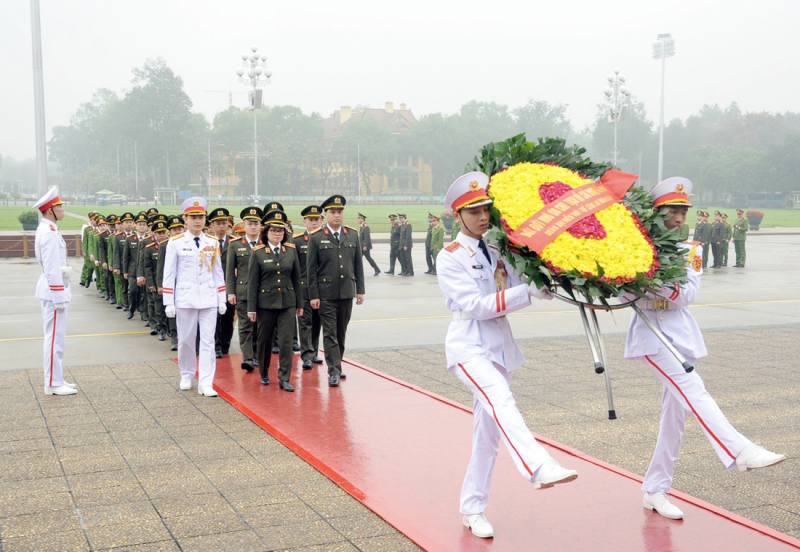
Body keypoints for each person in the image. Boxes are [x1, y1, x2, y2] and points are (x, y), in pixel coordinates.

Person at [626, 177, 784, 521]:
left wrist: (649, 280)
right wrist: (642, 276)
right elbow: (625, 293)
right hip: (651, 335)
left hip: (681, 336)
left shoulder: (690, 251)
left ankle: (656, 488)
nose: (679, 218)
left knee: (675, 417)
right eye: (672, 211)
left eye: (683, 212)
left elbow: (686, 296)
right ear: (656, 214)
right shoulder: (633, 248)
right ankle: (739, 449)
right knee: (694, 390)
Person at [437, 172, 577, 539]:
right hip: (469, 346)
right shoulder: (450, 258)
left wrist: (545, 279)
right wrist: (527, 292)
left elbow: (520, 286)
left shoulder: (498, 251)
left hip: (499, 348)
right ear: (457, 215)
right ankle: (538, 465)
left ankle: (472, 509)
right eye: (473, 211)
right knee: (501, 399)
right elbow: (477, 306)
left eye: (486, 209)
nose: (483, 217)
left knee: (487, 438)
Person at [162, 198, 227, 397]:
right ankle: (186, 373)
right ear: (186, 219)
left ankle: (206, 382)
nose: (197, 221)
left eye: (201, 217)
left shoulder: (212, 242)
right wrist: (168, 302)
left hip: (208, 298)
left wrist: (222, 298)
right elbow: (169, 274)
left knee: (208, 342)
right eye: (193, 217)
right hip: (186, 298)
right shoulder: (175, 242)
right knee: (186, 340)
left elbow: (218, 272)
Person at [306, 194, 365, 387]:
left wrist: (360, 290)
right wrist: (314, 295)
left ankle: (337, 364)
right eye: (332, 212)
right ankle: (334, 371)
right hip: (326, 294)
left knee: (341, 333)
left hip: (346, 292)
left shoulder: (352, 235)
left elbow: (358, 265)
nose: (337, 215)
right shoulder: (317, 237)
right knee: (329, 333)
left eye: (339, 212)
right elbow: (311, 270)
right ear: (326, 214)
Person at [247, 210, 303, 391]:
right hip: (265, 304)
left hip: (287, 303)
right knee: (265, 340)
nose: (277, 233)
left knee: (286, 341)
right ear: (266, 232)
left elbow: (297, 279)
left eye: (280, 230)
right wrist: (251, 308)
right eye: (273, 230)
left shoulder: (291, 251)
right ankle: (264, 372)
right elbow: (252, 283)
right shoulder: (258, 253)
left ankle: (284, 377)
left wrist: (300, 304)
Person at [33, 187, 77, 396]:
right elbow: (51, 267)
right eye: (60, 207)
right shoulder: (49, 232)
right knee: (54, 339)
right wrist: (59, 295)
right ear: (50, 210)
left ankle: (56, 378)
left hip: (52, 289)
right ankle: (52, 383)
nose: (63, 210)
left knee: (57, 338)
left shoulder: (48, 228)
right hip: (53, 292)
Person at [226, 206, 263, 372]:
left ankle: (257, 355)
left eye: (256, 224)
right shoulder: (235, 245)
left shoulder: (265, 244)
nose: (253, 227)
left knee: (259, 327)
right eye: (250, 224)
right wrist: (231, 292)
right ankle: (248, 357)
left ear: (260, 226)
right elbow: (230, 271)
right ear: (244, 225)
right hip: (243, 292)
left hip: (263, 293)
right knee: (245, 326)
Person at [294, 205, 324, 370]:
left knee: (317, 322)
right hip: (304, 288)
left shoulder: (325, 238)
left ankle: (314, 351)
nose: (314, 223)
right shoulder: (298, 241)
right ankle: (307, 355)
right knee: (305, 323)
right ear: (304, 221)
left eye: (316, 219)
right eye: (310, 220)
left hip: (321, 288)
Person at [209, 207, 235, 358]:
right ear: (212, 225)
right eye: (217, 223)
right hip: (211, 286)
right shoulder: (207, 242)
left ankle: (225, 345)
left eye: (224, 223)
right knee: (214, 317)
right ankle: (216, 345)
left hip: (229, 286)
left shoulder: (234, 242)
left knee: (228, 318)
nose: (221, 226)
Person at [157, 215, 184, 351]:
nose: (177, 231)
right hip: (172, 284)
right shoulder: (164, 246)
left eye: (180, 228)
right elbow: (161, 267)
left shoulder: (189, 243)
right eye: (174, 229)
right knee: (173, 312)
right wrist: (160, 285)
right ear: (169, 232)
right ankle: (174, 338)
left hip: (186, 284)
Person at [142, 220, 169, 341]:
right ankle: (161, 329)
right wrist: (151, 283)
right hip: (156, 281)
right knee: (158, 307)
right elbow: (147, 267)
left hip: (169, 282)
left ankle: (170, 328)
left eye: (164, 232)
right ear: (154, 234)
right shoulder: (150, 248)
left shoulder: (171, 245)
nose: (162, 235)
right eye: (159, 233)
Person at [123, 213, 148, 321]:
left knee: (144, 293)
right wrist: (125, 271)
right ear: (135, 226)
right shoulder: (130, 239)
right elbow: (125, 257)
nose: (142, 227)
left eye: (144, 224)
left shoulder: (149, 239)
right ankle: (131, 309)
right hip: (133, 270)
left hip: (145, 271)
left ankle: (143, 312)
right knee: (132, 290)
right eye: (139, 224)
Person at [113, 212, 134, 311]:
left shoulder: (136, 236)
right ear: (122, 224)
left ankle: (134, 305)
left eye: (130, 222)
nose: (129, 224)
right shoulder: (118, 237)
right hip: (122, 265)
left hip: (134, 266)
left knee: (133, 288)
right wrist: (116, 267)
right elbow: (116, 253)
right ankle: (126, 304)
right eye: (126, 222)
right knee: (124, 287)